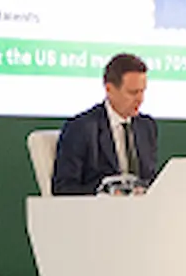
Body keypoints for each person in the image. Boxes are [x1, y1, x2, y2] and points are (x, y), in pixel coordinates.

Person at [51, 52, 159, 195]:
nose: (140, 99)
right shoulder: (82, 128)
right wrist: (107, 193)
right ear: (109, 89)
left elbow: (150, 179)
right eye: (133, 93)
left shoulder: (146, 127)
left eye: (142, 91)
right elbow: (63, 188)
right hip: (97, 213)